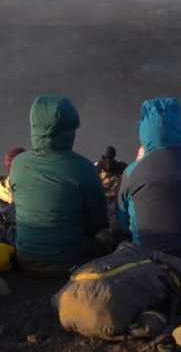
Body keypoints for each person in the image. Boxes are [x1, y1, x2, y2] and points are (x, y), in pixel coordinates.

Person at [118, 99, 181, 285]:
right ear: (179, 130)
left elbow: (124, 225)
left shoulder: (132, 171)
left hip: (150, 270)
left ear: (144, 133)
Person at [9, 95, 111, 277]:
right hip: (73, 262)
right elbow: (98, 223)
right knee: (115, 231)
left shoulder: (18, 164)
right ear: (69, 130)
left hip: (26, 260)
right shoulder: (84, 168)